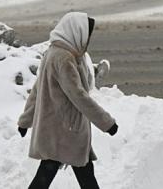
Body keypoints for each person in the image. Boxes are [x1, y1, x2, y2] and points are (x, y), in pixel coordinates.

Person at [18, 12, 118, 189]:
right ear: (76, 32)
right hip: (67, 130)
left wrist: (25, 121)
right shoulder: (65, 59)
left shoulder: (54, 53)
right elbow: (79, 96)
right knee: (80, 173)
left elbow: (36, 90)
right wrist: (107, 123)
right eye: (87, 35)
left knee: (59, 172)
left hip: (56, 130)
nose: (87, 40)